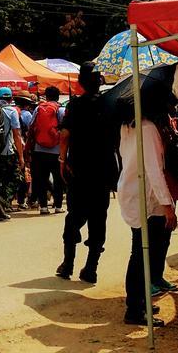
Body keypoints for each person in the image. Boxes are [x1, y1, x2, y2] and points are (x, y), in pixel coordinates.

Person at [56, 64, 118, 284]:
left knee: (74, 215)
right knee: (98, 217)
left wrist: (62, 160)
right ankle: (91, 268)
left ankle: (68, 264)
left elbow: (64, 134)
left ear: (81, 82)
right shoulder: (111, 103)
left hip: (79, 168)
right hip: (104, 169)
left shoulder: (75, 105)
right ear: (100, 81)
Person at [118, 101, 174, 327]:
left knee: (140, 253)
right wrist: (167, 204)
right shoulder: (148, 128)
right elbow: (153, 168)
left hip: (133, 193)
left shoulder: (127, 126)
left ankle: (140, 303)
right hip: (147, 199)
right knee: (142, 255)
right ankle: (135, 309)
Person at [0, 87, 28, 221]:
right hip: (7, 151)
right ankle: (2, 201)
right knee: (16, 177)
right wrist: (21, 157)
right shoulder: (11, 111)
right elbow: (16, 135)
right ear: (10, 98)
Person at [30, 87, 65, 216]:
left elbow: (32, 127)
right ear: (57, 96)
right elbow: (65, 131)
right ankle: (58, 206)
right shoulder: (60, 110)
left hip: (39, 149)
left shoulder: (38, 109)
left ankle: (43, 207)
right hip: (56, 150)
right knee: (58, 179)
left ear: (47, 96)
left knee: (41, 179)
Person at [14, 91, 37, 210]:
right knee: (28, 173)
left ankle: (20, 200)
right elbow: (31, 132)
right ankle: (29, 199)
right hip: (25, 147)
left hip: (12, 147)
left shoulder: (13, 112)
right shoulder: (27, 115)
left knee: (19, 173)